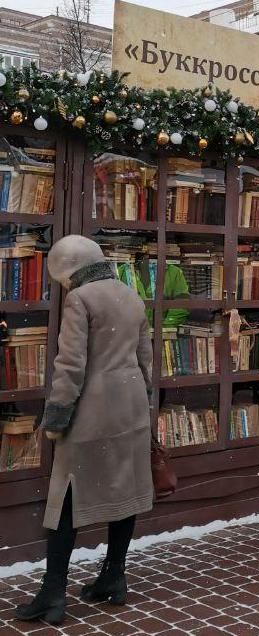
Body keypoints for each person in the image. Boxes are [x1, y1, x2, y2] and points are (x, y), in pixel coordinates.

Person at [15, 235, 154, 626]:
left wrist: (56, 418)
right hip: (130, 409)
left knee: (65, 499)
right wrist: (144, 402)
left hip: (92, 412)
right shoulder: (130, 294)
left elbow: (70, 367)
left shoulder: (81, 299)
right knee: (124, 491)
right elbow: (146, 360)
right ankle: (114, 575)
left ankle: (53, 593)